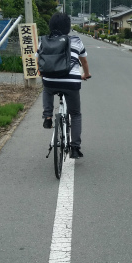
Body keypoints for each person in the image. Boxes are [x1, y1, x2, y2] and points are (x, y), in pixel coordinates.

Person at [38, 12, 91, 159]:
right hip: (71, 81)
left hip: (50, 79)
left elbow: (38, 59)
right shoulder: (76, 40)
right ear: (68, 27)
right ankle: (75, 148)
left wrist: (42, 73)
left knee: (47, 89)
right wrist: (86, 74)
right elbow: (84, 62)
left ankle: (48, 116)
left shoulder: (44, 40)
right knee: (75, 114)